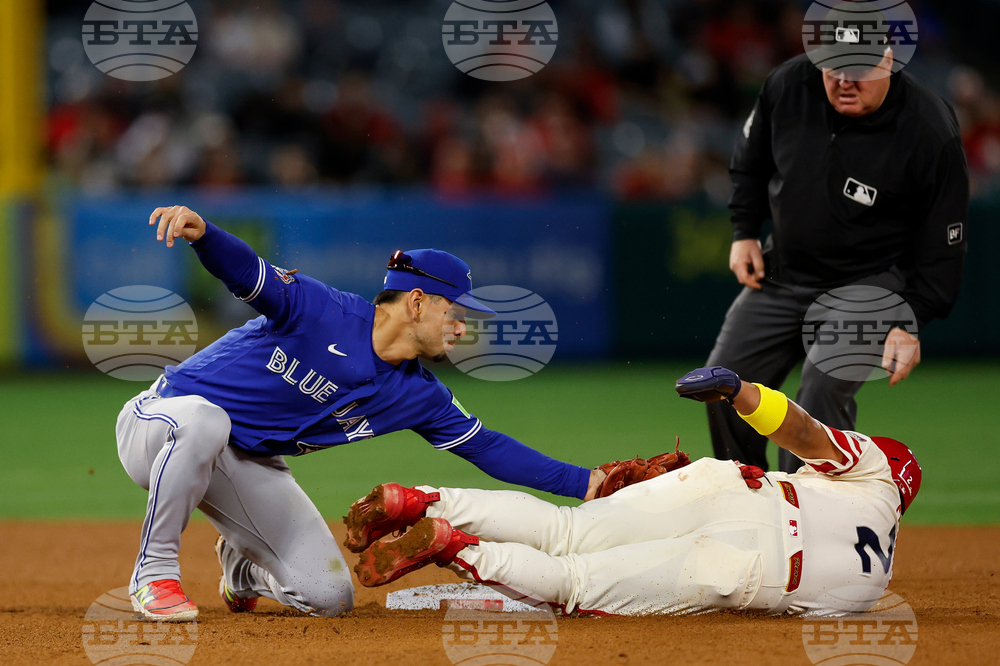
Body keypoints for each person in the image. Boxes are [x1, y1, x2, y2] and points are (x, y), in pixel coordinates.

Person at [117, 205, 605, 620]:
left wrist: (587, 483)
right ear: (418, 302)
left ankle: (243, 570)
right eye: (456, 312)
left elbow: (487, 447)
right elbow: (248, 273)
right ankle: (153, 574)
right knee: (206, 421)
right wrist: (205, 235)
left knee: (330, 597)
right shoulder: (320, 309)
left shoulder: (420, 394)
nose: (462, 328)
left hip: (244, 462)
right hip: (161, 424)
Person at [345, 365, 920, 617]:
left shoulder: (871, 469)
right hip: (750, 569)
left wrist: (741, 391)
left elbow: (805, 434)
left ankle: (422, 499)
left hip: (733, 486)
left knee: (565, 529)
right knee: (572, 584)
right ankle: (452, 545)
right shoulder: (872, 587)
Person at [708, 10, 969, 473]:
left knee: (821, 390)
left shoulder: (928, 126)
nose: (845, 81)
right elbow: (749, 161)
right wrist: (744, 230)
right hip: (783, 273)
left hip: (870, 285)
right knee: (723, 385)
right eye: (834, 67)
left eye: (859, 68)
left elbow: (943, 244)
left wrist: (911, 320)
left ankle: (810, 505)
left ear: (888, 59)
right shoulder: (788, 85)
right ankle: (746, 496)